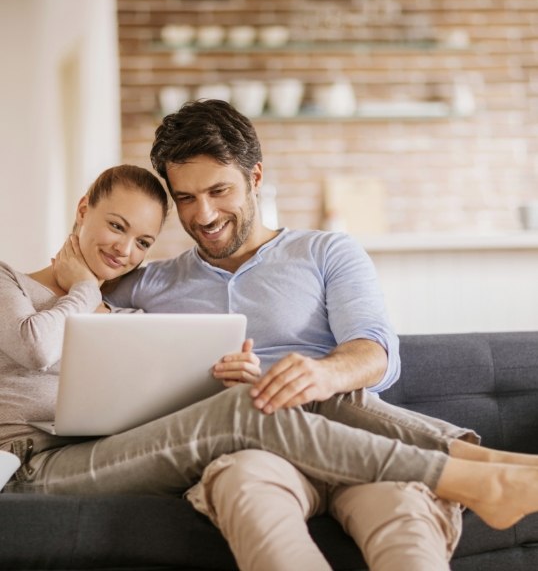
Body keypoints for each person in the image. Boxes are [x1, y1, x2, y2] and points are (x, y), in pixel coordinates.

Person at [101, 99, 538, 570]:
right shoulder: (146, 284)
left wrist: (323, 374)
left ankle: (490, 476)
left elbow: (376, 351)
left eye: (218, 190)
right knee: (242, 486)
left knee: (404, 517)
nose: (203, 215)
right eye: (185, 198)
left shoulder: (326, 251)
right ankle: (490, 465)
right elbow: (61, 317)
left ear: (256, 178)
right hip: (252, 454)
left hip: (355, 439)